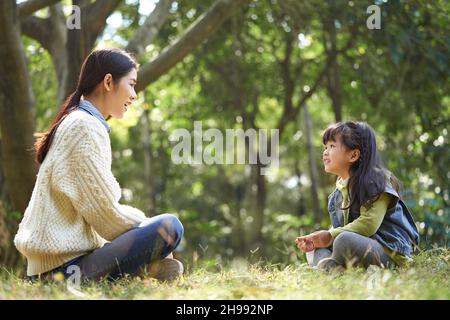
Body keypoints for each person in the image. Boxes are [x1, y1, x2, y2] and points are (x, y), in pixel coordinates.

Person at [14, 48, 184, 283]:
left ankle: (144, 271)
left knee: (161, 230)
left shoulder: (80, 121)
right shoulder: (84, 126)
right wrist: (149, 227)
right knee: (170, 226)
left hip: (58, 266)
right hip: (63, 272)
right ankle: (143, 271)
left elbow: (96, 212)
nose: (134, 95)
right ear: (108, 82)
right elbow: (106, 214)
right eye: (131, 84)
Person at [295, 121, 419, 271]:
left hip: (387, 253)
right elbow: (342, 227)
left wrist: (329, 235)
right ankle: (331, 268)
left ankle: (331, 268)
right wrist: (318, 239)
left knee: (343, 240)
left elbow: (368, 223)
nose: (325, 152)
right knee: (317, 248)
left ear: (353, 155)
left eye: (332, 146)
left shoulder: (377, 181)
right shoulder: (339, 190)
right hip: (360, 250)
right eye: (325, 147)